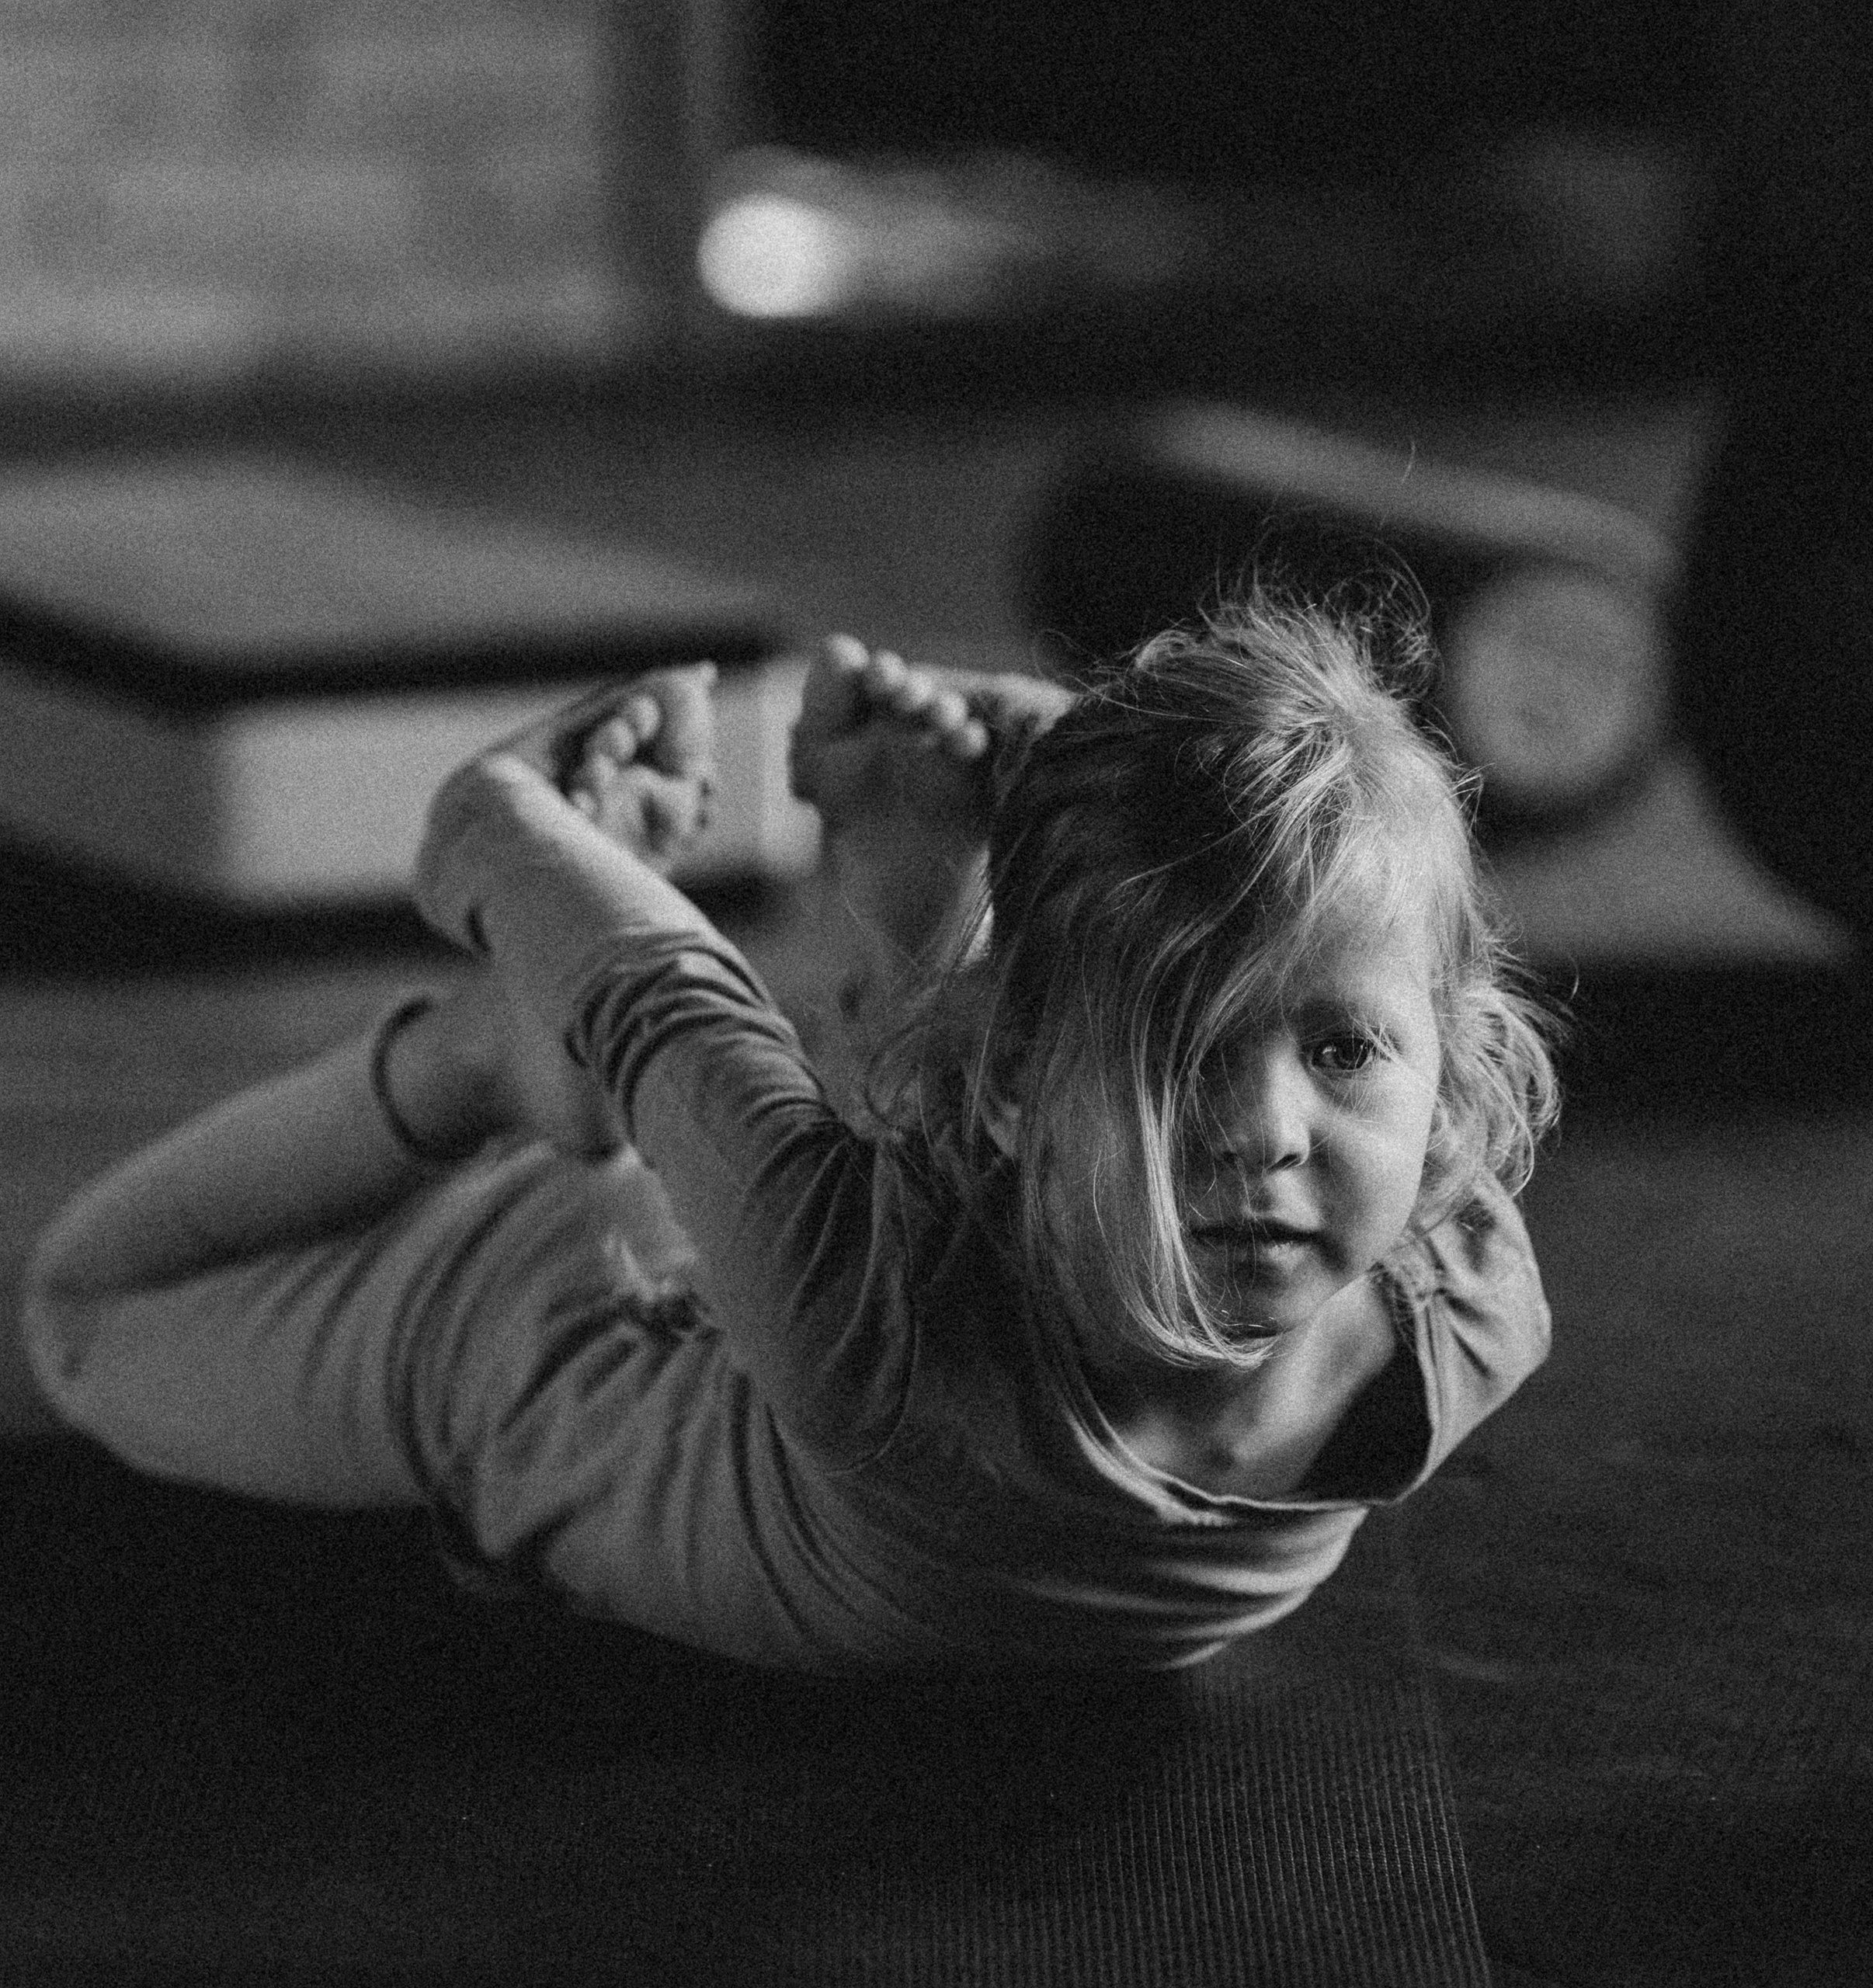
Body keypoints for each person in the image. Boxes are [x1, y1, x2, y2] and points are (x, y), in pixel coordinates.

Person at [22, 591, 1555, 1675]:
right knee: (80, 1316)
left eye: (1345, 1048)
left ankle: (914, 940)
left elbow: (1156, 997)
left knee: (1031, 1190)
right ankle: (489, 1060)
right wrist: (498, 819)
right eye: (1180, 1057)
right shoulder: (883, 1333)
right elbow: (631, 972)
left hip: (870, 1251)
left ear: (1451, 1073)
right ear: (1007, 1079)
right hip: (539, 1343)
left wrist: (1072, 782)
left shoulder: (1468, 1297)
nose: (1269, 1136)